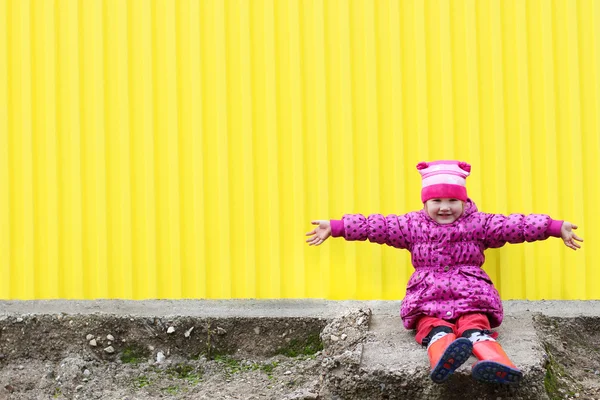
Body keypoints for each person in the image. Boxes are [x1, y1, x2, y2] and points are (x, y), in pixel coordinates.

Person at [305, 160, 583, 385]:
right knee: (431, 325)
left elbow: (515, 226)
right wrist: (337, 226)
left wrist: (553, 227)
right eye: (437, 200)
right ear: (425, 202)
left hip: (471, 289)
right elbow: (377, 226)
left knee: (475, 324)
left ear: (463, 200)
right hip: (428, 292)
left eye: (452, 200)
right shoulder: (411, 225)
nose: (445, 207)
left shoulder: (480, 223)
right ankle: (443, 357)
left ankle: (497, 362)